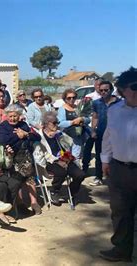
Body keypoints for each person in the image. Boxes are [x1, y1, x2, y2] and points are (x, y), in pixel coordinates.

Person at [99, 67, 137, 263]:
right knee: (120, 212)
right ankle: (122, 249)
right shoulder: (114, 111)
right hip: (120, 169)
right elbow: (108, 136)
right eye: (135, 87)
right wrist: (105, 160)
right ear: (122, 90)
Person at [33, 111, 85, 206]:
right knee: (61, 172)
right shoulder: (38, 136)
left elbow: (69, 144)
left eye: (57, 122)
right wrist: (56, 160)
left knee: (80, 175)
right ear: (45, 124)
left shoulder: (59, 133)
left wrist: (60, 137)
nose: (57, 124)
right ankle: (54, 191)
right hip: (49, 162)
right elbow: (39, 155)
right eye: (54, 123)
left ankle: (73, 192)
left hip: (64, 159)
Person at [0, 105, 42, 215]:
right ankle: (20, 203)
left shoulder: (23, 125)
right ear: (6, 116)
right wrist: (19, 136)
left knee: (30, 179)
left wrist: (26, 134)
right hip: (12, 157)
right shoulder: (3, 126)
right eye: (10, 116)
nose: (13, 118)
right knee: (17, 180)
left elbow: (37, 137)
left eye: (15, 116)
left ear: (19, 116)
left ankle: (34, 202)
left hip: (25, 156)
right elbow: (3, 140)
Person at [85, 81, 121, 186]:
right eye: (101, 90)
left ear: (111, 90)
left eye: (106, 90)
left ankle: (115, 178)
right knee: (99, 155)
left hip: (116, 134)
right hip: (101, 132)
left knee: (116, 156)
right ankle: (98, 177)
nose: (103, 92)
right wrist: (93, 130)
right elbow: (95, 117)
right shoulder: (96, 103)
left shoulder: (119, 103)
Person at [57, 88, 91, 161]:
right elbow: (60, 123)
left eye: (73, 97)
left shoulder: (79, 107)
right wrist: (72, 122)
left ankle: (76, 170)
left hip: (78, 137)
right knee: (66, 157)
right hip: (66, 137)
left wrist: (82, 119)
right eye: (69, 98)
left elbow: (88, 119)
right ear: (65, 99)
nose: (71, 99)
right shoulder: (62, 109)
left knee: (76, 157)